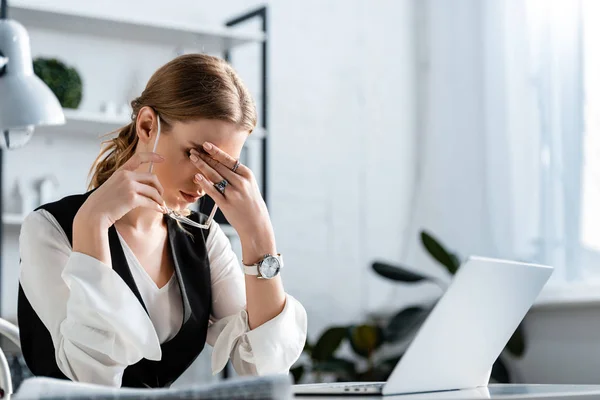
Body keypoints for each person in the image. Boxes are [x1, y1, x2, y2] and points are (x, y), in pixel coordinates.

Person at [17, 54, 307, 388]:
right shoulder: (49, 229)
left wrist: (259, 237)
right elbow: (89, 380)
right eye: (193, 154)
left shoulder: (204, 240)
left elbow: (264, 367)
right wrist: (91, 226)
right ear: (147, 126)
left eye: (220, 166)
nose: (204, 180)